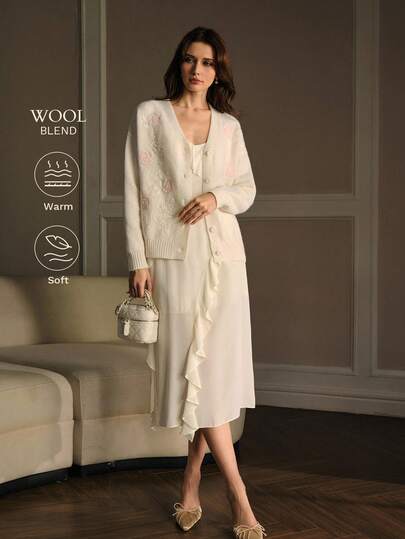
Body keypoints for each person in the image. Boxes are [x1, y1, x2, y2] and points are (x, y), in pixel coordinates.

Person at [124, 26, 267, 539]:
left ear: (217, 72)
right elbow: (133, 190)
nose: (197, 70)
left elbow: (246, 189)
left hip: (224, 261)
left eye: (207, 62)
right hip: (172, 261)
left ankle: (191, 482)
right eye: (189, 59)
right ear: (179, 64)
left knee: (211, 376)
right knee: (192, 372)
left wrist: (214, 197)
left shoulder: (228, 127)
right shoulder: (150, 116)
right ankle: (238, 495)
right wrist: (138, 259)